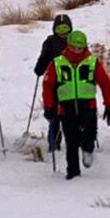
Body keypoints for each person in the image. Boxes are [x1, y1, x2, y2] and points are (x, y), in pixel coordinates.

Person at [42, 30, 110, 180]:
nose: (76, 51)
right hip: (65, 109)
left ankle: (88, 149)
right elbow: (48, 85)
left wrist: (109, 105)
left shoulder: (92, 62)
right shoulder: (57, 63)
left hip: (88, 106)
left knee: (89, 134)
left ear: (85, 47)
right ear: (68, 46)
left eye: (79, 48)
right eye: (73, 47)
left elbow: (105, 83)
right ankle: (73, 172)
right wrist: (49, 106)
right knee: (71, 141)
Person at [33, 14, 73, 152]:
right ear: (54, 30)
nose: (63, 33)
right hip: (54, 83)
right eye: (59, 29)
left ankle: (74, 139)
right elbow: (44, 58)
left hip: (71, 83)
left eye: (66, 29)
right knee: (54, 114)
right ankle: (54, 142)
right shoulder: (50, 42)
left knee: (71, 113)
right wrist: (40, 68)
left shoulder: (74, 41)